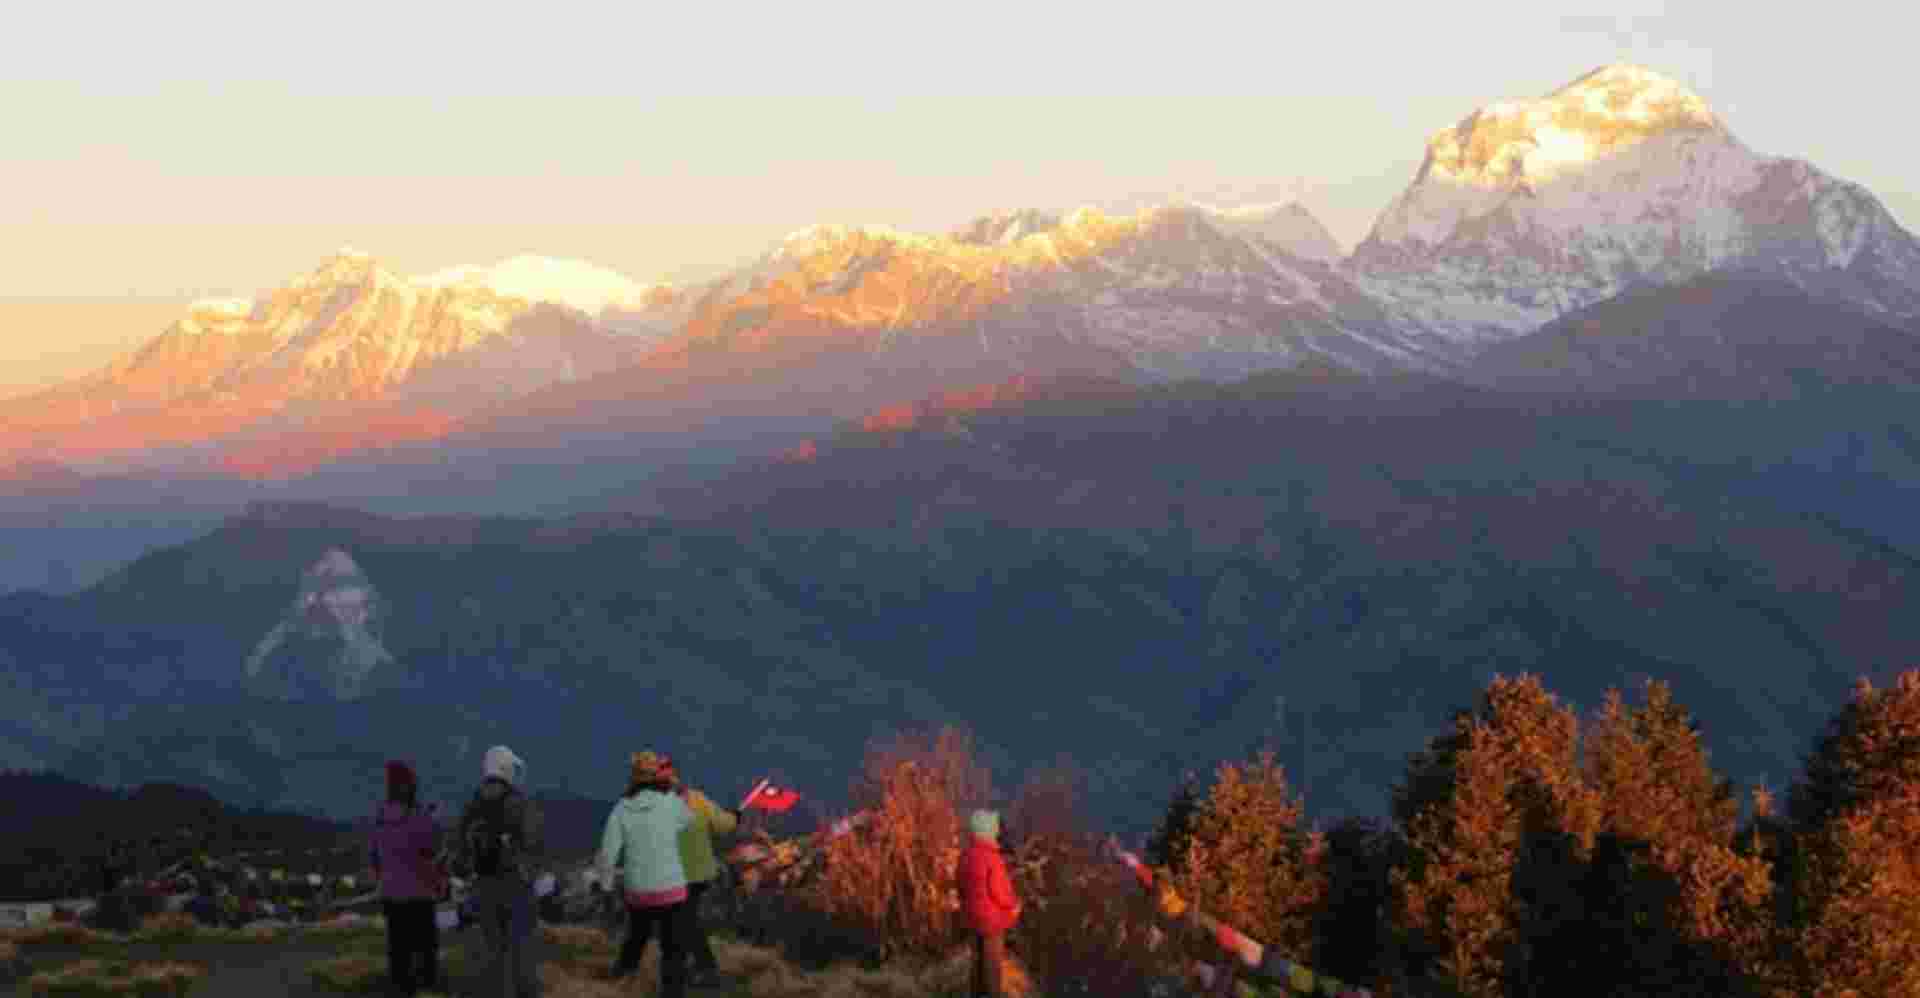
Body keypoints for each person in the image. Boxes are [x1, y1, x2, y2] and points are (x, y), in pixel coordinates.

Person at [598, 751, 694, 997]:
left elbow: (607, 854)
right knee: (673, 950)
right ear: (656, 776)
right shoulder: (671, 802)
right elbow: (689, 821)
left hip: (637, 891)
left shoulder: (621, 808)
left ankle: (620, 981)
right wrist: (677, 792)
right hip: (671, 890)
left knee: (636, 937)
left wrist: (606, 888)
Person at [454, 745, 545, 998]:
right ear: (508, 770)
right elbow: (534, 842)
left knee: (491, 955)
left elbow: (460, 851)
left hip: (483, 886)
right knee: (522, 953)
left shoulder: (473, 805)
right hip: (516, 885)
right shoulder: (519, 803)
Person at [661, 756, 741, 987]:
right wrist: (734, 817)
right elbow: (722, 824)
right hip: (696, 872)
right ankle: (694, 967)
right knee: (683, 920)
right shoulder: (697, 800)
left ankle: (705, 969)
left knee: (684, 921)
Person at [370, 759, 443, 997]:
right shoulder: (418, 816)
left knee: (398, 947)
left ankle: (401, 989)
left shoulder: (380, 818)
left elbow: (376, 857)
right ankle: (426, 988)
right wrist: (433, 820)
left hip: (391, 892)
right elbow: (431, 848)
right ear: (410, 786)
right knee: (425, 947)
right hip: (419, 892)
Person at [958, 809, 1022, 998]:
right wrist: (1014, 905)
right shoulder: (992, 858)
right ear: (988, 832)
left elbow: (960, 884)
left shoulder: (966, 856)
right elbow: (1001, 892)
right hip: (992, 922)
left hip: (973, 919)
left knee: (977, 964)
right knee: (992, 967)